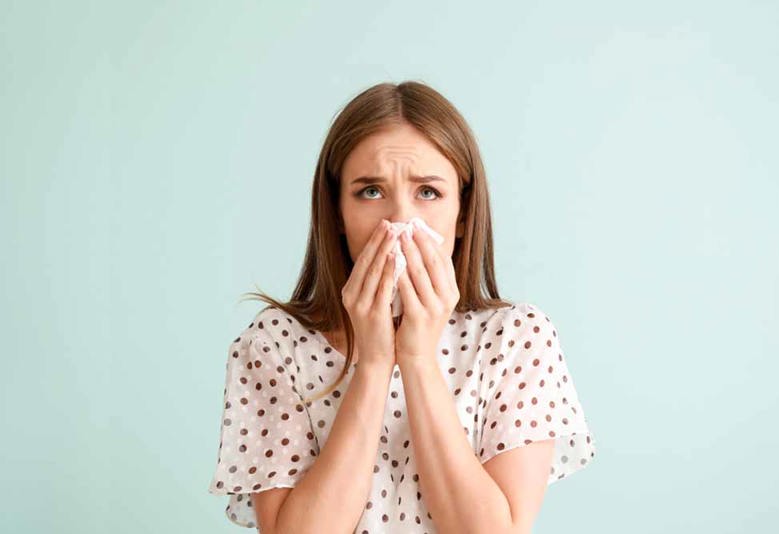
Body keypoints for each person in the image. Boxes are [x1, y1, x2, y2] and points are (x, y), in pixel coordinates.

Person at [208, 81, 597, 533]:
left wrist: (415, 359)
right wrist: (373, 364)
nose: (398, 221)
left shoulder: (517, 338)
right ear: (336, 212)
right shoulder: (274, 343)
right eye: (370, 191)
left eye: (428, 192)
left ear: (463, 212)